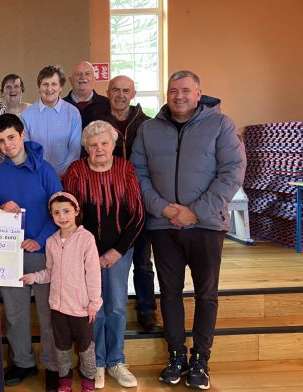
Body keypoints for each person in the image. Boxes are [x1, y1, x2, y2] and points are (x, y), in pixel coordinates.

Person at [131, 70, 246, 390]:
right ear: (166, 95)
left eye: (185, 90)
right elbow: (138, 173)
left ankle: (201, 358)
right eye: (172, 90)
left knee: (206, 293)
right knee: (168, 293)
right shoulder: (149, 129)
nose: (178, 96)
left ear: (198, 94)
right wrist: (163, 208)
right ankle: (177, 355)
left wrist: (195, 211)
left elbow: (232, 172)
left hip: (206, 226)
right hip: (163, 224)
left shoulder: (220, 125)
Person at [63, 120, 145, 389]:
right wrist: (86, 253)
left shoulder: (125, 169)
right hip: (85, 254)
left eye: (104, 143)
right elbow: (69, 214)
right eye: (93, 144)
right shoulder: (75, 171)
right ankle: (95, 362)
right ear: (86, 147)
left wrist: (116, 252)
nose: (99, 149)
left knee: (117, 306)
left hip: (120, 253)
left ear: (113, 145)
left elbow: (138, 215)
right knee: (92, 309)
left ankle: (116, 360)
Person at [0, 114, 62, 390]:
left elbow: (59, 209)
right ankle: (23, 362)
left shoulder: (45, 170)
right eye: (1, 141)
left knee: (47, 312)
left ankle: (53, 365)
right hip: (10, 253)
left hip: (42, 251)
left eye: (11, 137)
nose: (7, 145)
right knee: (15, 313)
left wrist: (40, 239)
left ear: (22, 135)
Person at [89, 75, 157, 331]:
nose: (120, 95)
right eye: (115, 90)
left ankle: (147, 310)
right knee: (106, 259)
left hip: (139, 199)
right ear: (107, 92)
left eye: (125, 90)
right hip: (106, 203)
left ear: (133, 93)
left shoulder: (147, 124)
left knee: (142, 258)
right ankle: (104, 311)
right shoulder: (98, 124)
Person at [22, 192, 102, 392]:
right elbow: (49, 272)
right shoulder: (51, 241)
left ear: (76, 211)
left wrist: (94, 303)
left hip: (82, 308)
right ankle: (64, 379)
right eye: (57, 212)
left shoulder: (86, 239)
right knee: (61, 348)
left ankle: (88, 379)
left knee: (86, 348)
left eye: (66, 211)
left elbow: (93, 273)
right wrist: (33, 277)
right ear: (51, 215)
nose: (62, 216)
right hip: (58, 307)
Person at [20, 65, 82, 179]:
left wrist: (61, 173)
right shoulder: (26, 115)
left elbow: (75, 150)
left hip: (66, 177)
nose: (49, 89)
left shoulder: (73, 113)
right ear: (39, 87)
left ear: (60, 87)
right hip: (36, 176)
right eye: (45, 84)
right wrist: (43, 174)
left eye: (54, 84)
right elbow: (25, 149)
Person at [62, 61, 110, 128]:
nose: (82, 77)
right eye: (78, 74)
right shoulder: (61, 105)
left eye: (87, 73)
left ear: (94, 79)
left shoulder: (107, 104)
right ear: (71, 80)